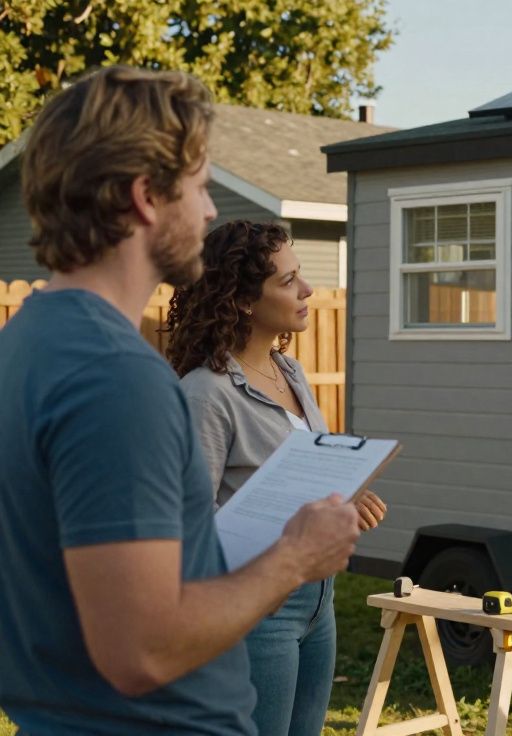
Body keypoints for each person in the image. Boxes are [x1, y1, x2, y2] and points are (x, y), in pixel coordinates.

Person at [0, 67, 360, 735]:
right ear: (145, 198)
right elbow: (142, 650)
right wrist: (296, 557)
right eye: (196, 186)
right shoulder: (116, 376)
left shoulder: (26, 341)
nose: (207, 210)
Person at [164, 220, 387, 736]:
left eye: (301, 275)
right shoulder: (206, 394)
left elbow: (296, 481)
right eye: (288, 282)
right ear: (243, 299)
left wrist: (345, 500)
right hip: (257, 612)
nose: (308, 290)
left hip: (319, 603)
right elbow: (189, 530)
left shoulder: (292, 372)